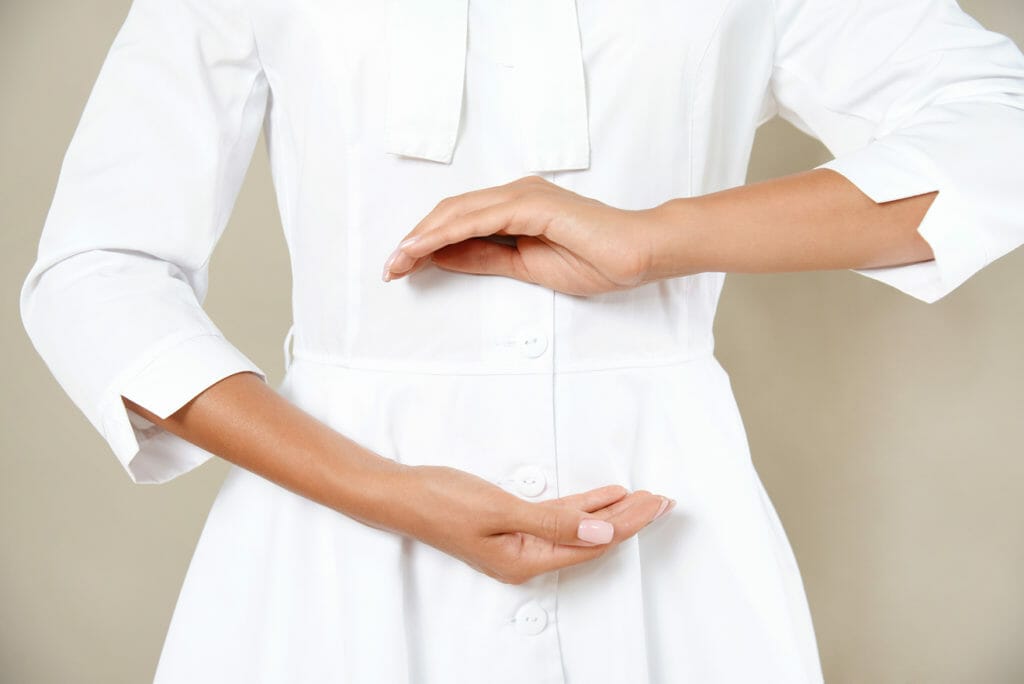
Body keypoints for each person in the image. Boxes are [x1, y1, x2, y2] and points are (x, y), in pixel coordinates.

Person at [19, 0, 1024, 681]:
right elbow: (94, 271)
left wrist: (654, 239)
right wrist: (388, 494)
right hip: (325, 549)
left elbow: (1001, 126)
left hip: (672, 542)